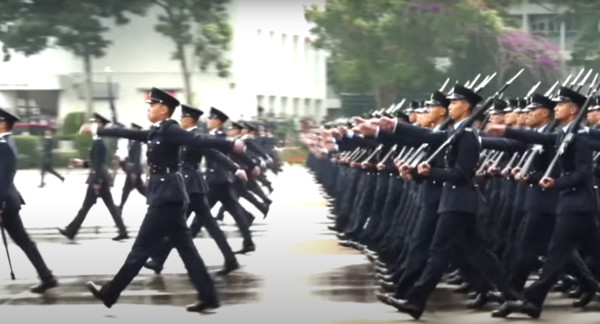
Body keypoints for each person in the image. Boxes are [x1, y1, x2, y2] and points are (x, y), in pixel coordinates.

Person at [83, 88, 246, 313]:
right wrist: (101, 130)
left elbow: (197, 139)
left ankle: (110, 292)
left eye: (152, 105)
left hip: (167, 197)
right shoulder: (157, 131)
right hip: (169, 195)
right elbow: (131, 134)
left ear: (163, 109)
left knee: (140, 249)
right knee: (187, 250)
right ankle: (209, 296)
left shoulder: (171, 130)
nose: (148, 109)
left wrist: (230, 144)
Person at [144, 104, 241, 276]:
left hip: (191, 186)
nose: (180, 121)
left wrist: (235, 168)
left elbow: (215, 154)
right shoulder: (182, 135)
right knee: (200, 224)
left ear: (188, 120)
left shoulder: (193, 137)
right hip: (188, 184)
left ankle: (159, 259)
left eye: (182, 118)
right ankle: (230, 259)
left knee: (178, 224)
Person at [0, 108, 58, 294]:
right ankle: (46, 276)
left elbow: (4, 178)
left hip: (5, 203)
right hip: (8, 202)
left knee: (24, 241)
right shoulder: (6, 143)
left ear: (2, 124)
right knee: (24, 241)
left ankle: (47, 276)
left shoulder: (4, 146)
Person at [58, 113, 128, 241]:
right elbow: (96, 162)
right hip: (101, 178)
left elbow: (99, 164)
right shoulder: (99, 140)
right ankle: (122, 230)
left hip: (98, 179)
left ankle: (71, 231)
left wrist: (97, 181)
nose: (92, 125)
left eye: (95, 123)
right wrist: (81, 162)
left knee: (87, 207)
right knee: (108, 206)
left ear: (101, 124)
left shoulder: (99, 142)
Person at [118, 122, 147, 211]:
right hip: (132, 170)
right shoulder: (131, 141)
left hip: (134, 170)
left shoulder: (137, 143)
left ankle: (120, 207)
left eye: (133, 129)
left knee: (127, 189)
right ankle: (153, 200)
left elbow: (137, 158)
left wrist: (134, 172)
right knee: (141, 189)